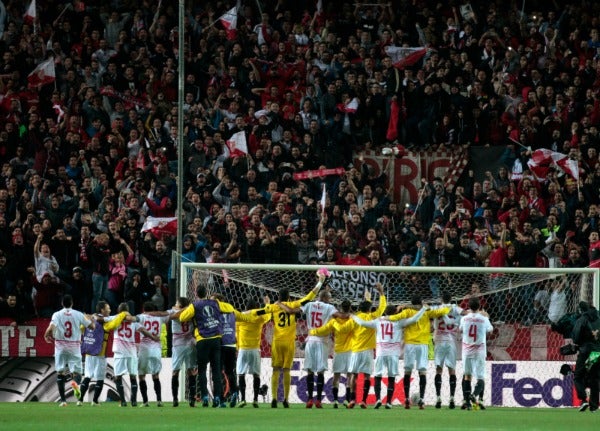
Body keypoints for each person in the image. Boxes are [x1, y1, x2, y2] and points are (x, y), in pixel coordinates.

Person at [253, 273, 326, 408]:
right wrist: (320, 283)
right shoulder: (293, 304)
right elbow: (310, 296)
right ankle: (286, 399)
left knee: (276, 370)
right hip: (289, 343)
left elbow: (259, 312)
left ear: (279, 297)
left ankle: (274, 398)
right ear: (289, 296)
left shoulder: (274, 307)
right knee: (286, 371)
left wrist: (267, 304)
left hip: (277, 342)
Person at [352, 302, 427, 409]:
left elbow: (362, 323)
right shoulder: (399, 322)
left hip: (381, 352)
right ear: (395, 312)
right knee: (391, 377)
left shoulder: (378, 321)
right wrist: (423, 309)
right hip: (393, 354)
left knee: (378, 376)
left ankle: (378, 399)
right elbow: (414, 320)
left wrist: (353, 316)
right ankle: (388, 402)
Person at [176, 284, 240, 408]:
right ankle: (217, 398)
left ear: (196, 293)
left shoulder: (194, 305)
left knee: (202, 370)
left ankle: (205, 396)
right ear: (206, 292)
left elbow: (182, 318)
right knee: (216, 371)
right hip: (216, 340)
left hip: (202, 340)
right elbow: (230, 307)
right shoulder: (215, 303)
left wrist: (191, 312)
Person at [390, 294, 450, 409]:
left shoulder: (407, 312)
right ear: (421, 303)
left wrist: (386, 317)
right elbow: (443, 311)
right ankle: (421, 399)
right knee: (422, 372)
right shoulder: (426, 312)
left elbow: (396, 317)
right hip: (422, 344)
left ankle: (407, 399)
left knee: (407, 371)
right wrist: (447, 307)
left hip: (410, 344)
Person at [78, 300, 136, 405]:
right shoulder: (105, 322)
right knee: (100, 378)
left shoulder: (90, 319)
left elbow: (82, 328)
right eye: (108, 308)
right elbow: (112, 325)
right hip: (100, 353)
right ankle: (95, 401)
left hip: (88, 352)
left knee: (87, 376)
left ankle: (80, 400)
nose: (109, 310)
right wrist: (122, 314)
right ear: (102, 310)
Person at [43, 294, 94, 407]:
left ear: (62, 303)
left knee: (60, 372)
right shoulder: (78, 314)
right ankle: (75, 384)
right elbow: (92, 327)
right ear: (72, 303)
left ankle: (63, 401)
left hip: (60, 346)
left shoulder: (57, 314)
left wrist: (46, 335)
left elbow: (51, 327)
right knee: (77, 373)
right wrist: (89, 319)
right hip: (74, 346)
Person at [345, 283, 387, 408]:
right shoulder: (372, 317)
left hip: (356, 350)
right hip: (368, 351)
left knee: (354, 375)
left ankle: (352, 400)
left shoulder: (355, 318)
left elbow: (345, 329)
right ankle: (363, 400)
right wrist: (381, 293)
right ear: (369, 309)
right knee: (367, 376)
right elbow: (382, 308)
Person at [111, 302, 158, 407]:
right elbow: (144, 330)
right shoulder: (133, 321)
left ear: (119, 311)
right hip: (131, 352)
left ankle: (123, 401)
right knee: (133, 377)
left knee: (118, 377)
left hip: (119, 352)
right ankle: (134, 401)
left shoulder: (114, 319)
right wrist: (153, 337)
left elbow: (102, 320)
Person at [309, 300, 353, 408]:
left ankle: (335, 400)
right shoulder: (353, 320)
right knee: (349, 376)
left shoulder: (335, 320)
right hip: (350, 351)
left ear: (340, 309)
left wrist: (313, 332)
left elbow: (324, 329)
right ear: (350, 308)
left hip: (338, 351)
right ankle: (347, 400)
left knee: (336, 376)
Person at [301, 287, 339, 408]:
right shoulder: (329, 307)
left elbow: (297, 311)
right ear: (325, 298)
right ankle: (318, 400)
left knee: (310, 371)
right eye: (329, 298)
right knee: (321, 371)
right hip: (322, 342)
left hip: (311, 341)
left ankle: (309, 399)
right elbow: (339, 316)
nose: (330, 300)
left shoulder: (309, 305)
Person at [236, 297, 271, 408]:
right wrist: (267, 304)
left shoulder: (241, 316)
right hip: (255, 349)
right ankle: (255, 399)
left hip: (243, 349)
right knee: (256, 374)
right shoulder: (259, 317)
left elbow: (236, 333)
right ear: (256, 308)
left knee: (241, 374)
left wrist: (238, 347)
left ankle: (242, 399)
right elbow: (268, 315)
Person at [459, 297, 493, 410]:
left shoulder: (464, 319)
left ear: (468, 306)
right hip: (479, 350)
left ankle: (467, 402)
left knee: (467, 376)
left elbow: (460, 329)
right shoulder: (483, 319)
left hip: (467, 350)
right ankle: (474, 395)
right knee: (480, 377)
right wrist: (486, 317)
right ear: (479, 307)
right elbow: (490, 330)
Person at [432, 292, 464, 409]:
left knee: (438, 370)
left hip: (439, 341)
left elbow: (426, 311)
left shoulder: (436, 308)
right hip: (451, 342)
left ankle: (438, 397)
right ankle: (451, 398)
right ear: (451, 299)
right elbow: (465, 313)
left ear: (441, 299)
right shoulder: (455, 308)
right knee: (452, 370)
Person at [137, 301, 171, 407]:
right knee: (155, 376)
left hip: (144, 349)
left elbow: (138, 327)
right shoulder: (159, 318)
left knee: (141, 376)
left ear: (144, 309)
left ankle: (145, 401)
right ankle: (159, 400)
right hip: (156, 349)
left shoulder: (141, 317)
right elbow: (170, 315)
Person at [572, 301, 600, 412]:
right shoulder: (598, 319)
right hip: (597, 352)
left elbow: (576, 337)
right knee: (594, 378)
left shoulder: (582, 320)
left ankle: (583, 400)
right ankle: (594, 406)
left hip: (585, 351)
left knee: (578, 376)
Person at [169, 297, 197, 407]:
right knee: (191, 371)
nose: (174, 304)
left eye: (176, 303)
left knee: (175, 371)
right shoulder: (191, 311)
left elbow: (172, 316)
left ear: (179, 305)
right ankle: (192, 400)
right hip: (190, 343)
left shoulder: (174, 312)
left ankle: (175, 399)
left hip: (178, 344)